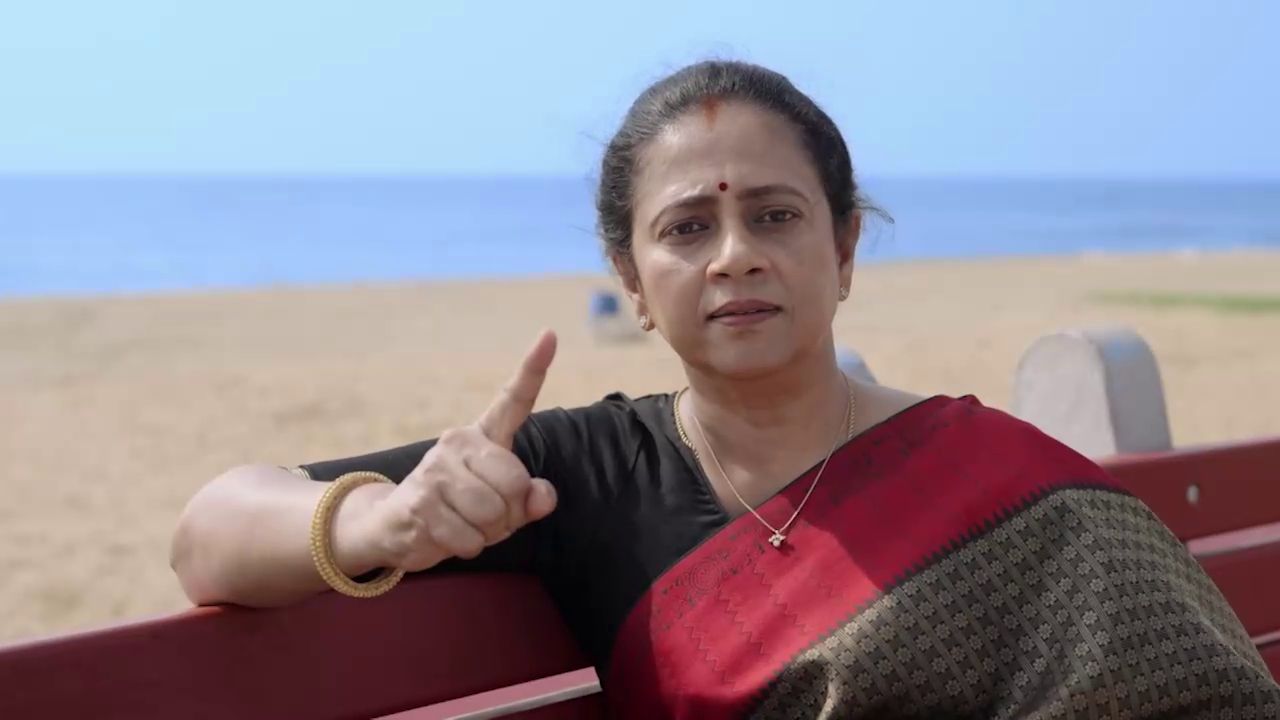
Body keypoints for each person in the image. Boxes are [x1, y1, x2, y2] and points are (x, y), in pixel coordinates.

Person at [170, 61, 1280, 718]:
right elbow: (208, 534)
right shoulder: (574, 476)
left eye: (775, 215)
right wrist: (377, 521)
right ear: (632, 282)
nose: (734, 254)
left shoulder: (1000, 483)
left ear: (843, 250)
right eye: (687, 228)